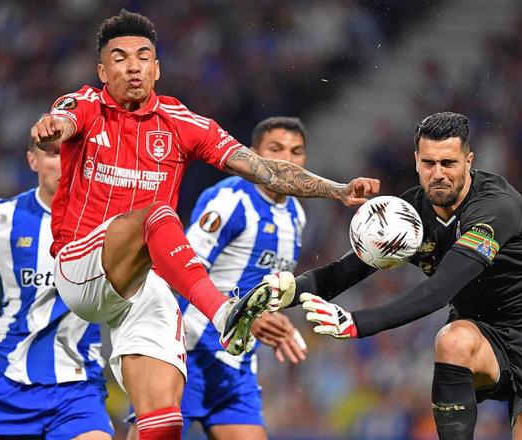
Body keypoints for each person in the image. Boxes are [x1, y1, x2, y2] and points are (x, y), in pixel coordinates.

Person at [29, 9, 379, 439]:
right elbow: (61, 121)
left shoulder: (182, 123)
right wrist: (52, 128)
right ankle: (224, 313)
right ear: (103, 71)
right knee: (158, 214)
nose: (133, 66)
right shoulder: (85, 105)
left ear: (157, 68)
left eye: (143, 57)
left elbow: (265, 170)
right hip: (81, 268)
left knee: (163, 422)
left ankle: (217, 324)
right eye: (119, 58)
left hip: (142, 286)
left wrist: (338, 190)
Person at [273, 112, 522, 440]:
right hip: (481, 338)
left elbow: (441, 290)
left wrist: (357, 322)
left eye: (448, 163)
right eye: (428, 163)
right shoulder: (407, 216)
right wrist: (291, 291)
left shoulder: (496, 206)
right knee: (452, 340)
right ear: (416, 161)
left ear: (468, 161)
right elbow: (345, 271)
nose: (438, 174)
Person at [125, 116, 310, 440]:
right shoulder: (229, 200)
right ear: (253, 155)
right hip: (187, 353)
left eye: (296, 151)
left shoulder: (296, 214)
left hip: (235, 365)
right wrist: (243, 317)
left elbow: (257, 282)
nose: (286, 159)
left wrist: (270, 318)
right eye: (276, 149)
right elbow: (178, 271)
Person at [0, 142, 113, 439]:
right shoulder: (4, 218)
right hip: (2, 380)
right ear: (33, 161)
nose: (64, 162)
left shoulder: (110, 222)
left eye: (72, 153)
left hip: (77, 386)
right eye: (53, 153)